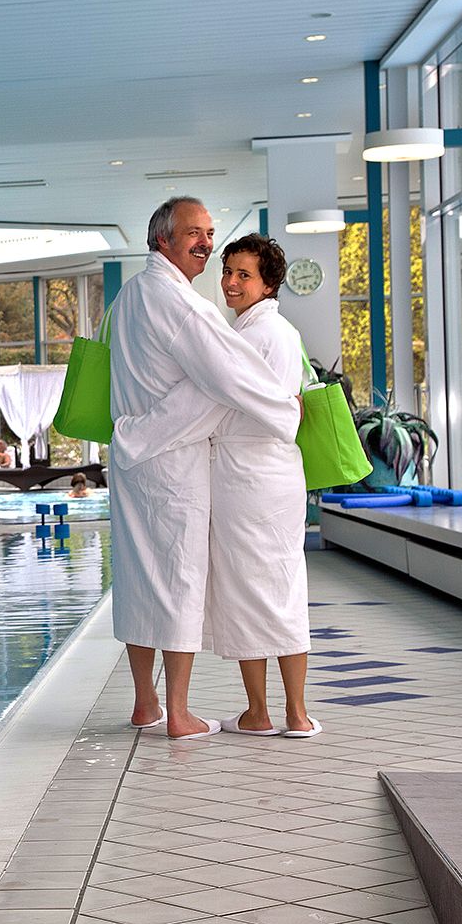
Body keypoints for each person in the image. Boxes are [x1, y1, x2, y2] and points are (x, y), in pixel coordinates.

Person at [107, 197, 300, 741]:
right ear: (162, 239)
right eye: (195, 233)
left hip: (133, 457)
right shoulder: (179, 304)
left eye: (210, 233)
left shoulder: (128, 297)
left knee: (141, 579)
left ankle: (146, 703)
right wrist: (285, 407)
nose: (206, 243)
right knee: (178, 580)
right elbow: (227, 376)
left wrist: (133, 435)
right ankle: (180, 712)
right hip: (172, 462)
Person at [207, 235, 316, 737]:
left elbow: (219, 407)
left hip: (243, 477)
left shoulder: (248, 336)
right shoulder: (285, 332)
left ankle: (259, 713)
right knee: (286, 587)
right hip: (280, 478)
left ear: (268, 283)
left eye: (243, 274)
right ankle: (297, 714)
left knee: (244, 591)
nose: (230, 282)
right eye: (227, 271)